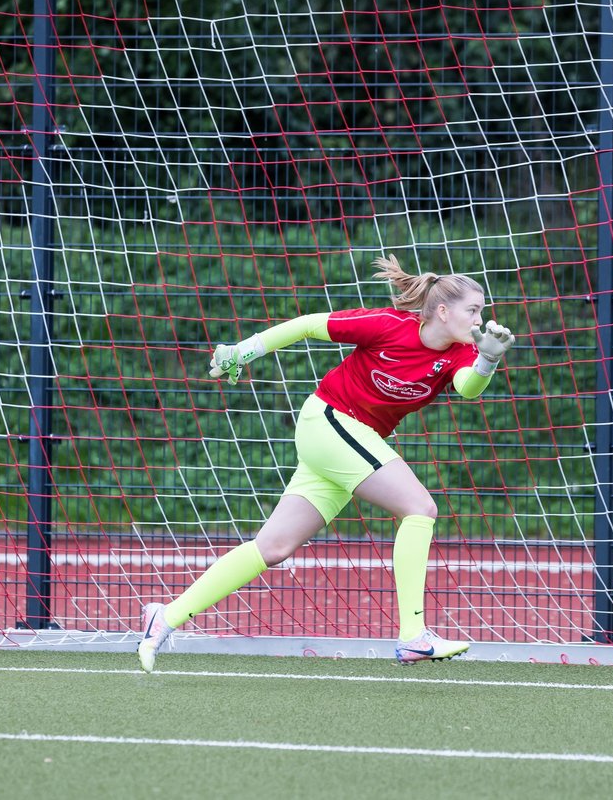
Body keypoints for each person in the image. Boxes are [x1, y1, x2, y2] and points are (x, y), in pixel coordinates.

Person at [136, 256, 515, 671]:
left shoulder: (462, 352)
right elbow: (309, 324)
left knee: (274, 547)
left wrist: (487, 360)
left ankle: (165, 616)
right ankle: (414, 636)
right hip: (330, 421)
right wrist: (242, 352)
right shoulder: (388, 325)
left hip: (343, 445)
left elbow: (469, 389)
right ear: (442, 311)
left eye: (482, 311)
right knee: (420, 508)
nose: (481, 319)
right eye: (473, 310)